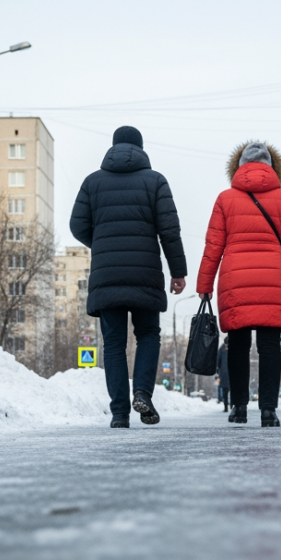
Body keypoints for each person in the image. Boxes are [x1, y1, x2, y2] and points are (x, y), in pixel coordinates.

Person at [71, 126, 187, 428]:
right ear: (140, 148)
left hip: (107, 274)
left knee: (113, 344)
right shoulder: (155, 181)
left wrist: (102, 244)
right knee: (148, 334)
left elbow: (77, 225)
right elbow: (170, 231)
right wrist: (178, 272)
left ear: (113, 148)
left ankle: (119, 414)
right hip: (145, 272)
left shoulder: (92, 182)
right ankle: (143, 392)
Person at [197, 141, 281, 427]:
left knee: (238, 345)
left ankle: (239, 408)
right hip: (272, 277)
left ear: (239, 166)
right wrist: (276, 250)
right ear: (272, 167)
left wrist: (204, 284)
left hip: (235, 278)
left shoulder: (225, 199)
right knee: (270, 345)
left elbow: (213, 246)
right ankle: (268, 411)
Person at [217, 339, 230, 412]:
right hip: (233, 372)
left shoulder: (221, 349)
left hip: (223, 372)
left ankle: (226, 407)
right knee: (233, 390)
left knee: (225, 390)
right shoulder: (235, 346)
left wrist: (218, 369)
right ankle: (233, 405)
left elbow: (218, 360)